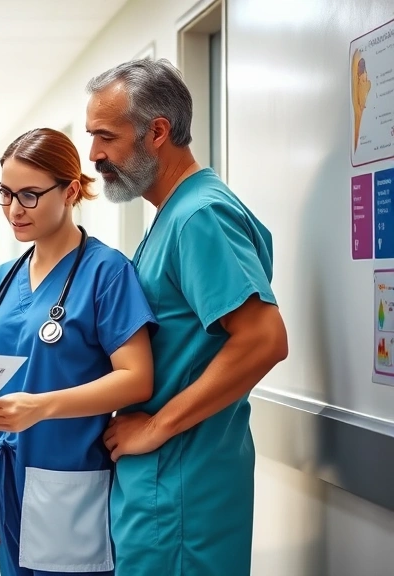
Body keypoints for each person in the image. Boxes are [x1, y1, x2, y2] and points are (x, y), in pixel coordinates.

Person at [85, 58, 289, 576]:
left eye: (105, 137)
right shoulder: (173, 213)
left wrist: (156, 427)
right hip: (166, 481)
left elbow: (264, 339)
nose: (94, 155)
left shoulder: (200, 215)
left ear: (156, 132)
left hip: (181, 486)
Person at [0, 128, 157, 576]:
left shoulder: (106, 271)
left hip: (70, 476)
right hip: (8, 478)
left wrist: (42, 407)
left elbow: (136, 376)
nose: (13, 209)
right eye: (6, 193)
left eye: (29, 195)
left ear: (70, 191)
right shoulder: (2, 280)